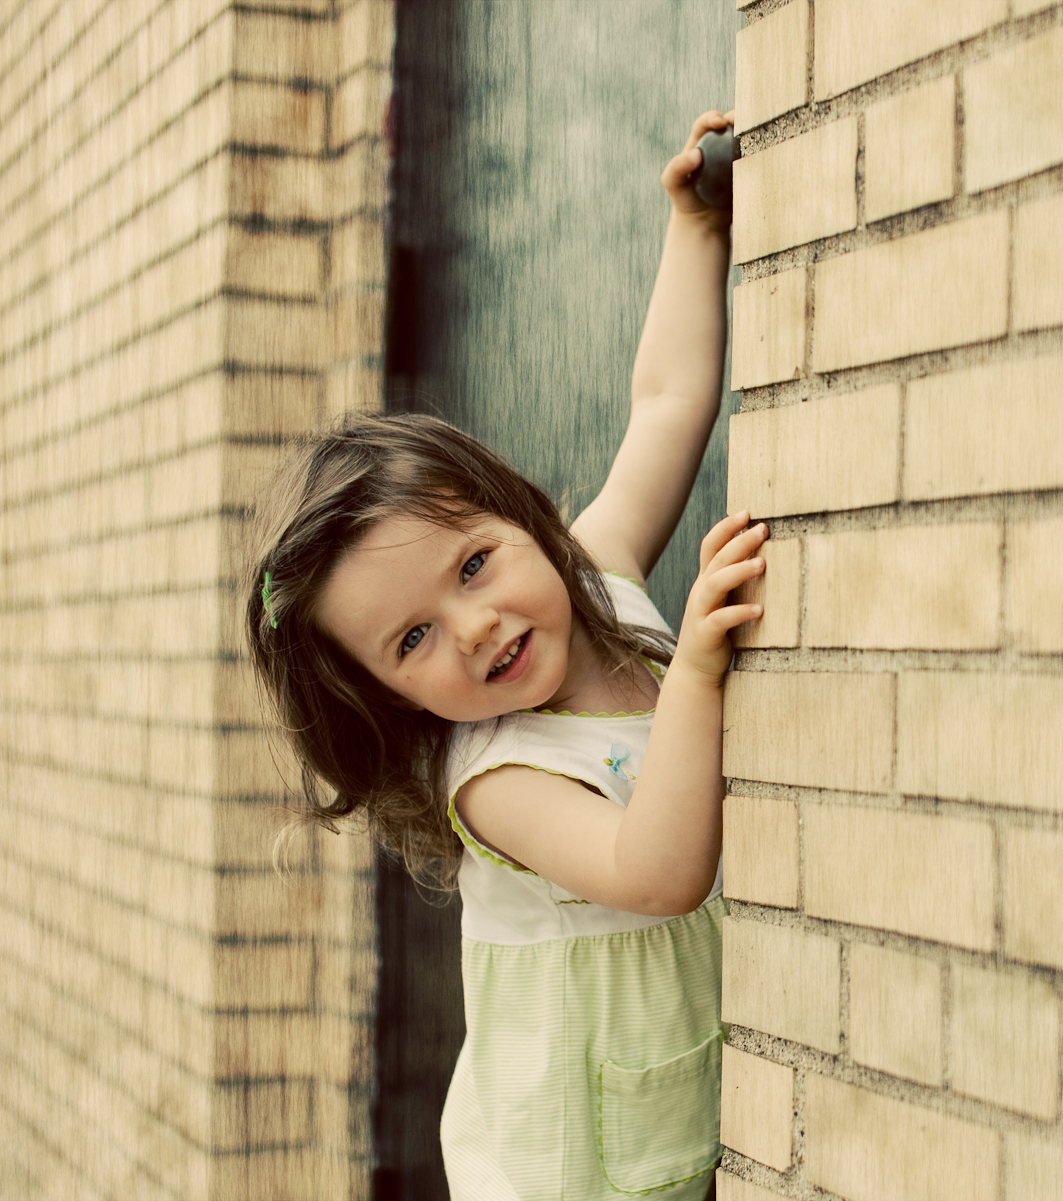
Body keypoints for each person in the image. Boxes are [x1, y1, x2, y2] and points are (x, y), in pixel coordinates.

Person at [243, 111, 756, 1201]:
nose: (473, 626)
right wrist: (700, 675)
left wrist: (695, 229)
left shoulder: (602, 572)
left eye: (473, 564)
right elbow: (655, 872)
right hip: (565, 1170)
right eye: (414, 637)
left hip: (657, 1130)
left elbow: (666, 403)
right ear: (386, 690)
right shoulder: (497, 774)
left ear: (522, 518)